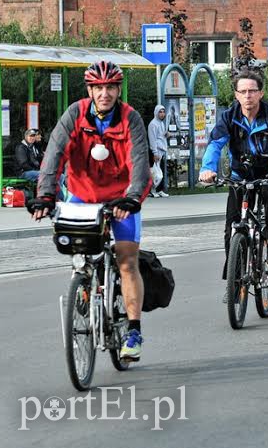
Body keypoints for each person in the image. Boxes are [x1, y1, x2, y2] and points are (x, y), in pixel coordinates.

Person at [28, 60, 151, 361]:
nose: (104, 93)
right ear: (90, 90)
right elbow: (54, 154)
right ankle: (84, 284)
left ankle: (133, 330)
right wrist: (45, 196)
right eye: (98, 88)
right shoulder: (75, 114)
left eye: (110, 87)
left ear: (118, 89)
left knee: (126, 260)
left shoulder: (130, 118)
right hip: (83, 196)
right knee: (76, 247)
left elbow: (139, 163)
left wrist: (132, 198)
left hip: (121, 199)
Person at [199, 69, 268, 275]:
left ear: (261, 93)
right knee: (231, 226)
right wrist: (207, 169)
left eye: (252, 90)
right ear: (236, 95)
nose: (247, 95)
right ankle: (234, 276)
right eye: (243, 91)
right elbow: (215, 144)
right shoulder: (229, 117)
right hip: (239, 176)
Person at [148, 105, 169, 197]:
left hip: (162, 150)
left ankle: (159, 190)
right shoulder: (153, 124)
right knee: (155, 172)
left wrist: (166, 135)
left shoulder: (161, 123)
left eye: (163, 112)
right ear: (156, 112)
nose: (162, 114)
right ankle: (152, 190)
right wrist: (155, 153)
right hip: (156, 151)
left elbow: (160, 136)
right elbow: (152, 139)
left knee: (159, 171)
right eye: (160, 112)